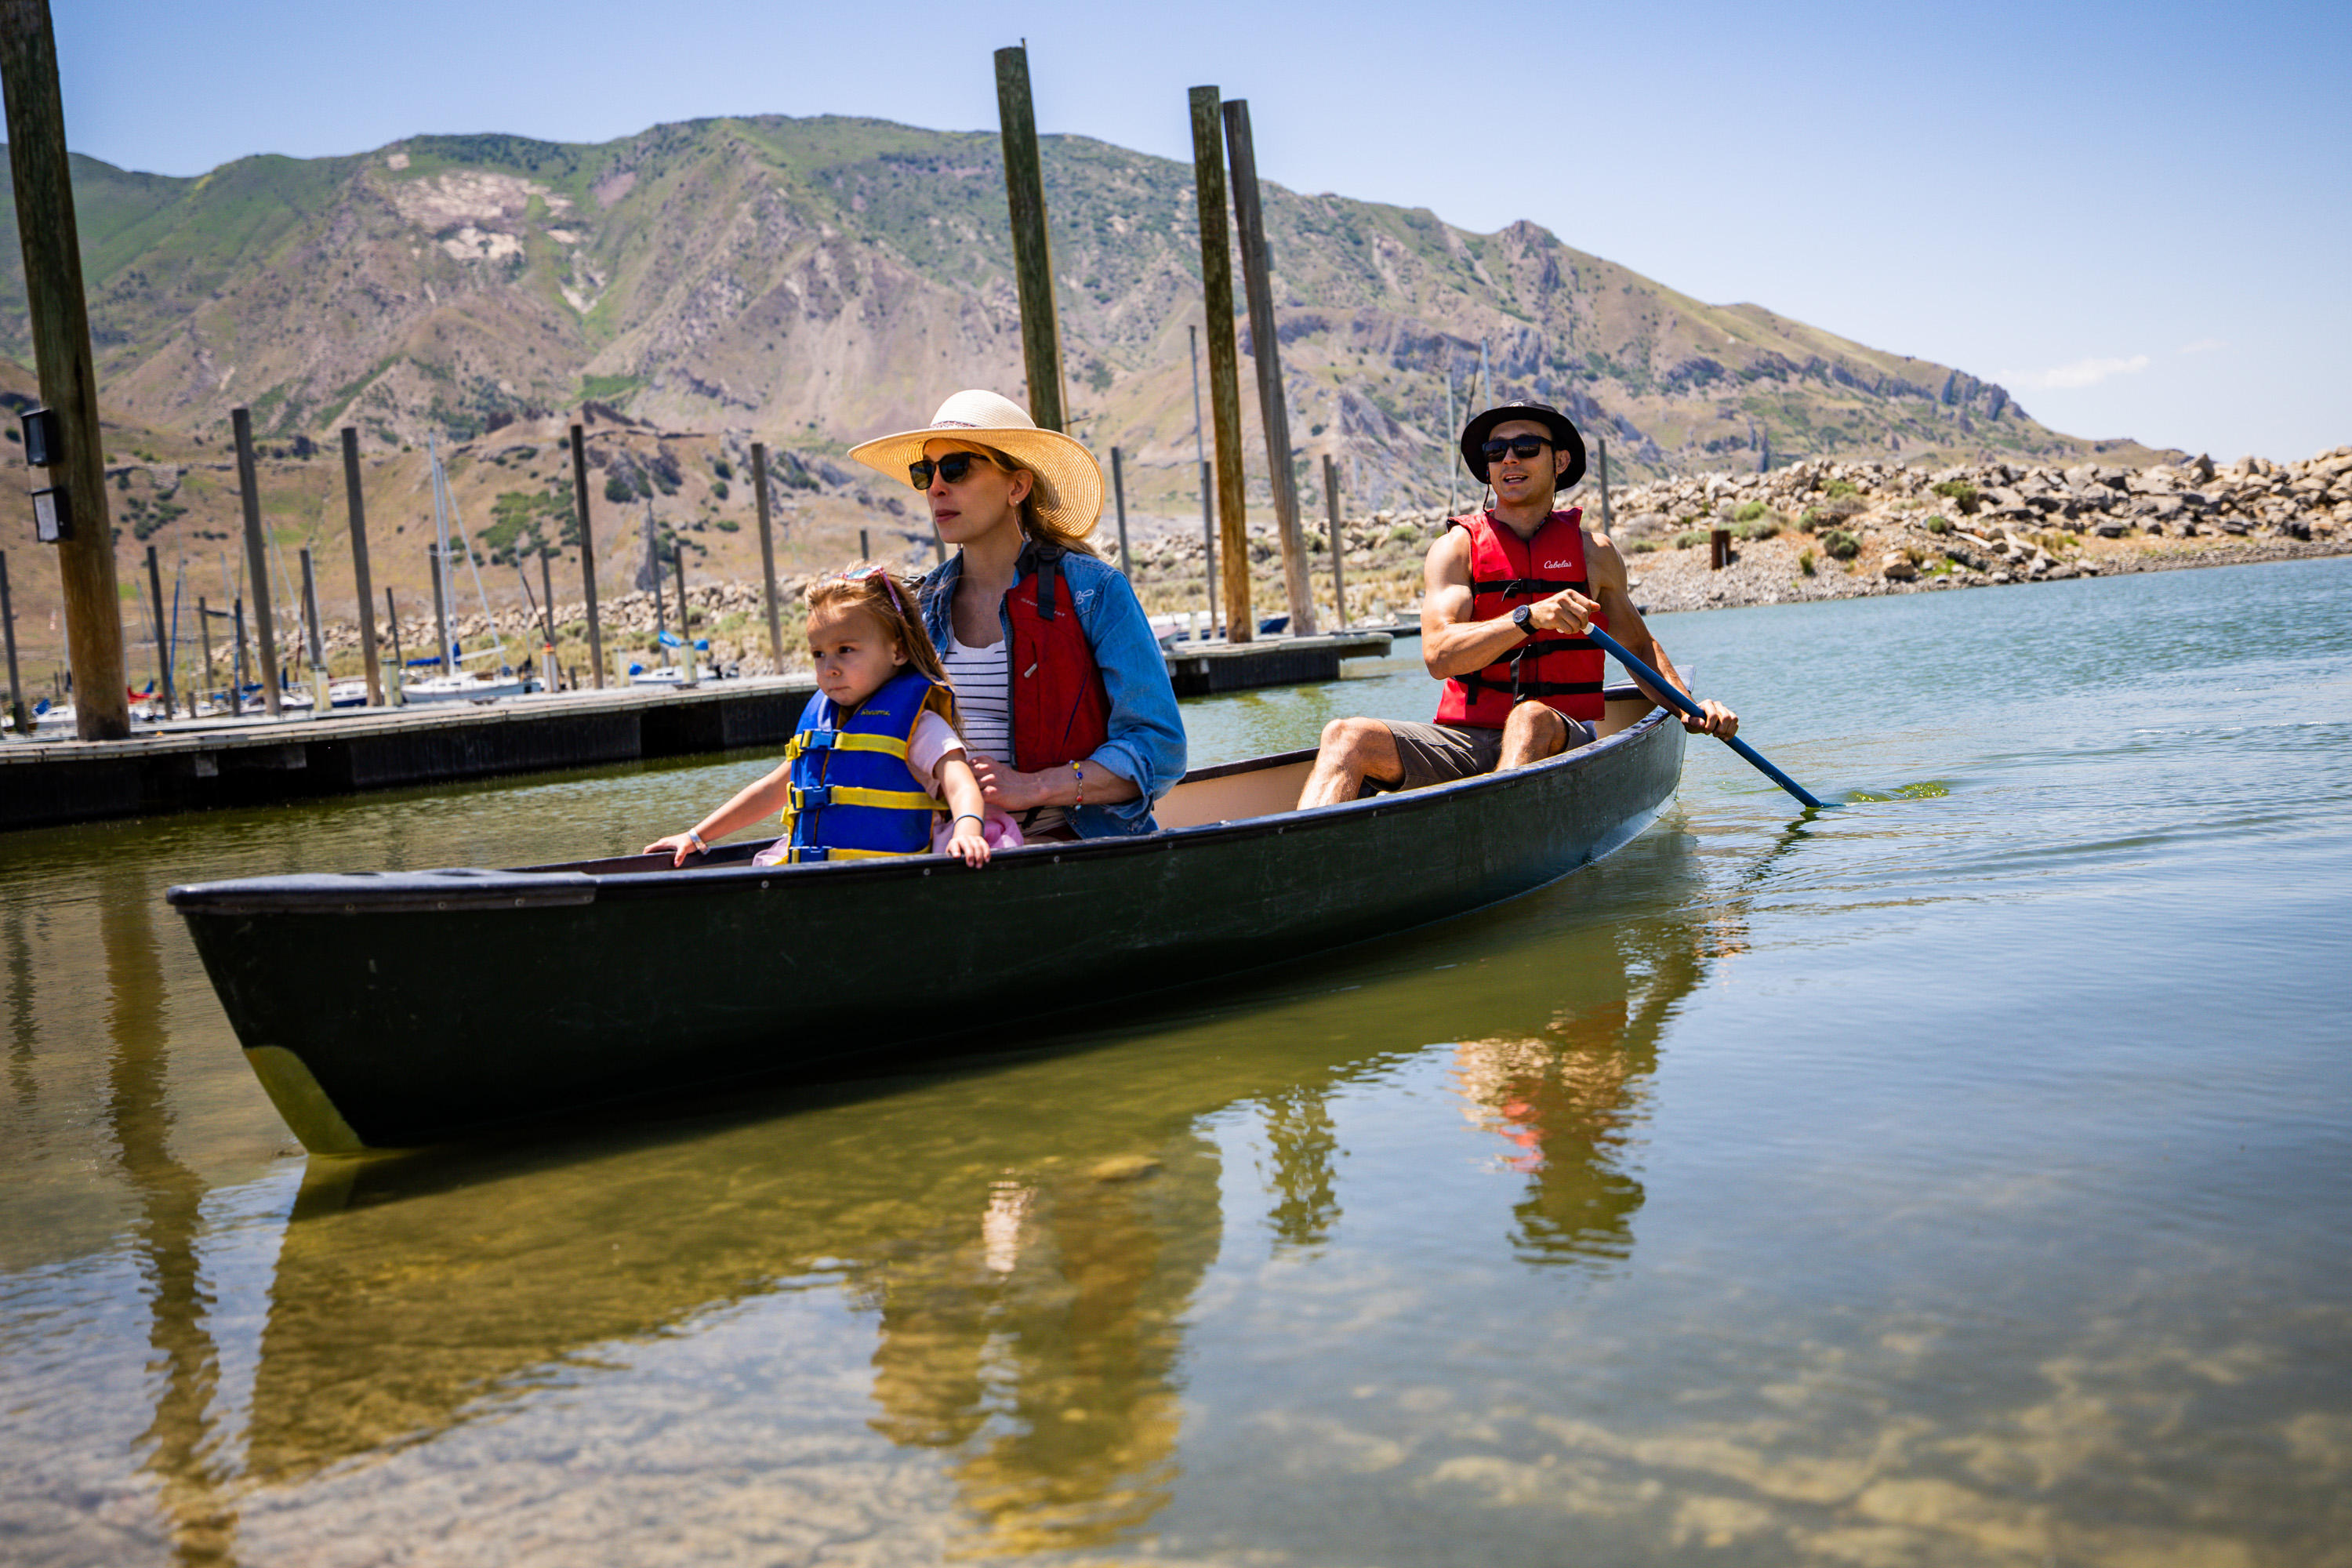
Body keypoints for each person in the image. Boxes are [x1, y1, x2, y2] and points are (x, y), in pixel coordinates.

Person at [1298, 401, 1736, 808]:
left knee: (1529, 719)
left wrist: (1692, 709)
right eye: (1496, 451)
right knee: (1345, 736)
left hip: (1561, 736)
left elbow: (1639, 650)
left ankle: (1495, 831)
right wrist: (1526, 619)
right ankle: (1299, 863)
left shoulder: (1594, 553)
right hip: (1464, 741)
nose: (1509, 459)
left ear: (1559, 462)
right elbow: (1438, 654)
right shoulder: (1455, 550)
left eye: (1526, 448)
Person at [847, 389, 1186, 840]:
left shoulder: (1095, 592)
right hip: (946, 853)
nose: (936, 488)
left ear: (1017, 486)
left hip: (1075, 850)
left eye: (956, 468)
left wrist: (1033, 788)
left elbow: (1159, 749)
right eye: (925, 472)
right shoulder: (918, 607)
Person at [644, 567, 1001, 868]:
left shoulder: (920, 727)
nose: (829, 668)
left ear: (898, 650)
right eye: (819, 654)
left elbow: (960, 783)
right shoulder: (824, 727)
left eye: (846, 650)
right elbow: (770, 791)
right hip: (821, 876)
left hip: (893, 875)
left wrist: (967, 832)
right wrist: (695, 836)